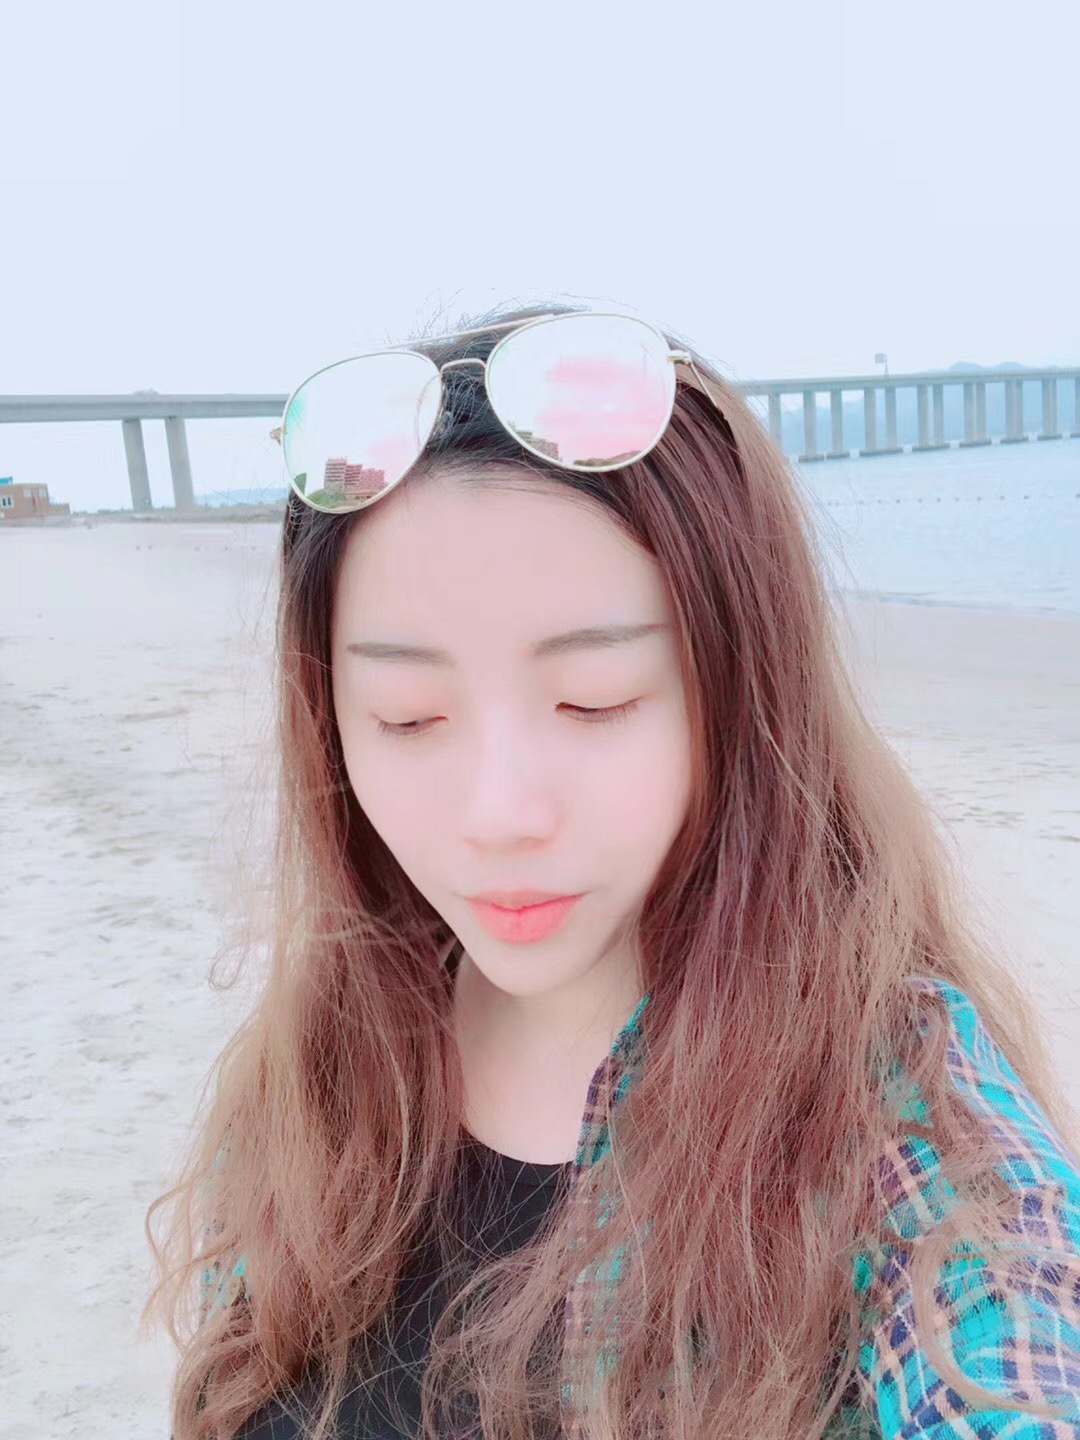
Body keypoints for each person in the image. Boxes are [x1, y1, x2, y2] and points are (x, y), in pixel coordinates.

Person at [144, 303, 1080, 1440]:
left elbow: (1008, 1362)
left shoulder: (893, 1102)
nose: (500, 815)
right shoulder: (317, 1082)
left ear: (740, 696)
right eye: (408, 715)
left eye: (595, 703)